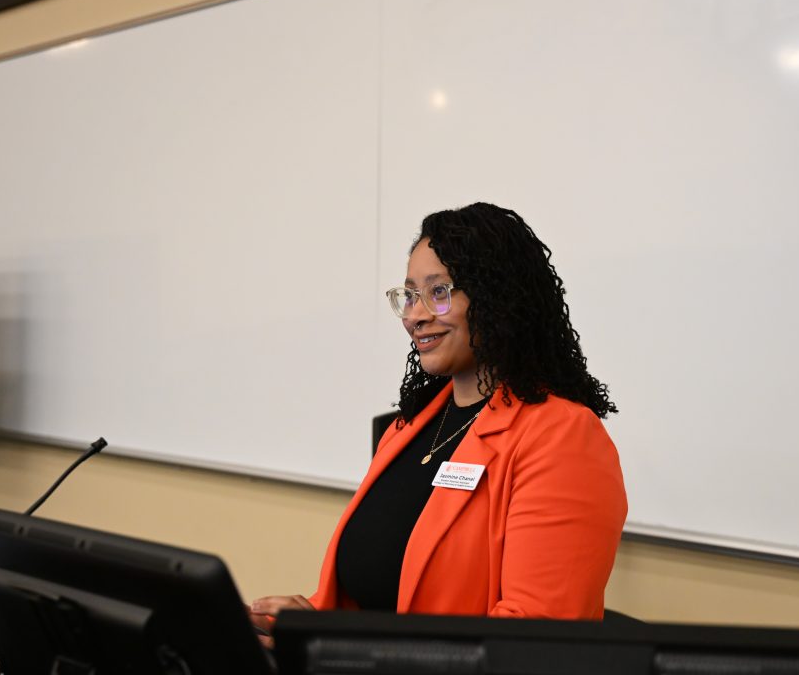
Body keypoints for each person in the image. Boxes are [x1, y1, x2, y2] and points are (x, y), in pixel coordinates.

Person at [250, 203, 626, 639]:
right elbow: (374, 595)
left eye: (439, 292)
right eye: (409, 295)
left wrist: (344, 643)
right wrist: (299, 624)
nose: (414, 315)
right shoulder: (407, 428)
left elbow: (533, 644)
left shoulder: (562, 438)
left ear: (497, 298)